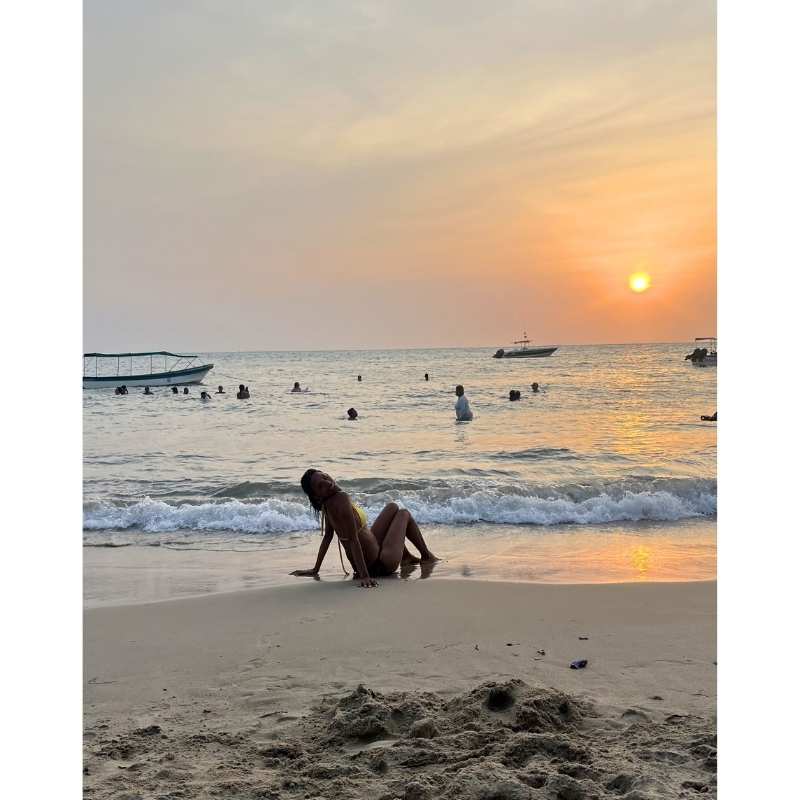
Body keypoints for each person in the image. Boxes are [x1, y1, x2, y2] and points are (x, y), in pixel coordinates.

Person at [293, 470, 437, 586]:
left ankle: (406, 557)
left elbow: (327, 538)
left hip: (372, 552)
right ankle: (426, 556)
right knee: (404, 513)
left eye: (325, 477)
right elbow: (353, 540)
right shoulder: (341, 499)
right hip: (380, 565)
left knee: (392, 507)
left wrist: (315, 569)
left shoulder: (328, 504)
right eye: (320, 486)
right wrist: (365, 577)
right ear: (316, 496)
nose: (327, 482)